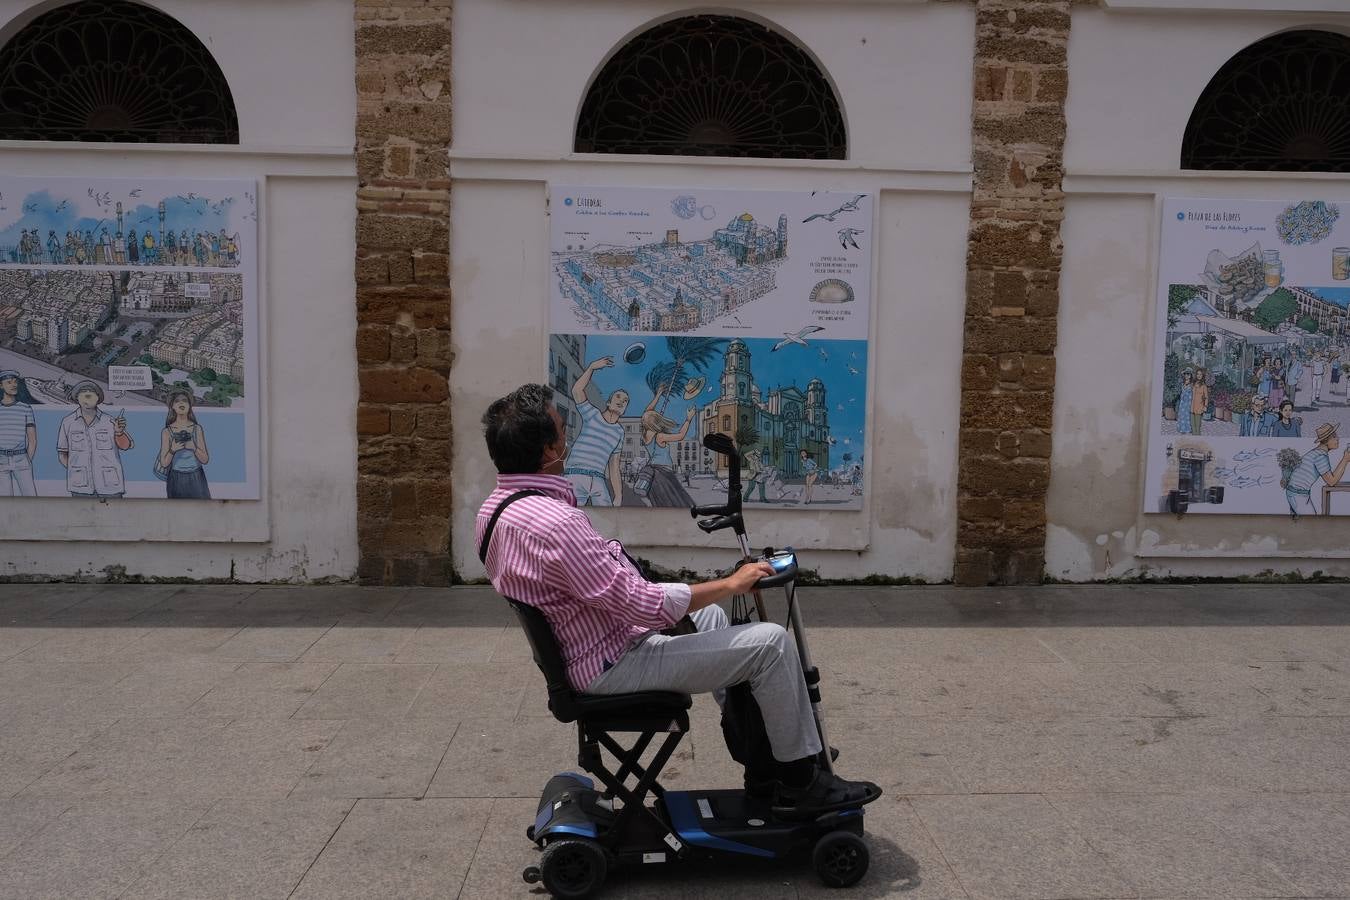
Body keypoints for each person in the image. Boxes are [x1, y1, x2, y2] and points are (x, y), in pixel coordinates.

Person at [477, 383, 878, 813]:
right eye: (561, 430)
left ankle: (764, 758)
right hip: (610, 662)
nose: (569, 437)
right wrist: (730, 582)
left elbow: (603, 590)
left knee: (714, 621)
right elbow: (641, 604)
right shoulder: (555, 524)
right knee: (770, 644)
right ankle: (801, 782)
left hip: (587, 646)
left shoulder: (496, 510)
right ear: (547, 451)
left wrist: (701, 596)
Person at [564, 356, 628, 506]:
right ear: (608, 402)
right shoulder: (593, 414)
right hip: (575, 475)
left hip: (598, 479)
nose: (621, 401)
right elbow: (576, 390)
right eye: (618, 397)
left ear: (624, 410)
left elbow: (614, 465)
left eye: (625, 401)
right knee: (568, 518)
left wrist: (618, 496)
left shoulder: (619, 432)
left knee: (608, 522)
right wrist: (591, 367)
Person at [56, 381, 132, 498]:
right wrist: (75, 470)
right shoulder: (68, 422)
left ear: (98, 398)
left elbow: (126, 446)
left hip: (110, 486)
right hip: (80, 486)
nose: (87, 396)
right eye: (83, 393)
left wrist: (119, 432)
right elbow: (62, 454)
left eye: (91, 393)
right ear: (77, 398)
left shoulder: (109, 421)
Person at [635, 384, 695, 507]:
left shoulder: (645, 435)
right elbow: (680, 436)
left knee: (659, 502)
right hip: (663, 473)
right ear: (657, 421)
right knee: (677, 501)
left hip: (652, 473)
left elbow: (647, 411)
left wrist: (657, 395)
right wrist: (688, 419)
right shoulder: (660, 436)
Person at [1285, 422, 1350, 517]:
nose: (1338, 439)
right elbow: (1331, 481)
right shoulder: (1320, 456)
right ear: (1326, 440)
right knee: (1311, 524)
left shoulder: (1316, 452)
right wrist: (1345, 460)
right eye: (1334, 437)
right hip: (1299, 495)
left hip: (1294, 492)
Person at [157, 390, 210, 499]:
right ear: (172, 406)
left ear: (190, 405)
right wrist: (173, 449)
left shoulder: (197, 428)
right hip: (176, 477)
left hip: (196, 476)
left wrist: (193, 447)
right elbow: (164, 463)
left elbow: (205, 459)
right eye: (177, 401)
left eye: (185, 401)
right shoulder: (167, 431)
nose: (181, 403)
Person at [0, 369, 38, 496]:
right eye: (9, 382)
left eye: (15, 382)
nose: (14, 385)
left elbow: (32, 439)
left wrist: (27, 459)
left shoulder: (26, 408)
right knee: (5, 500)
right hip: (1, 460)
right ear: (1, 385)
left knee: (30, 497)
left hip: (21, 459)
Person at [1189, 367, 1209, 436]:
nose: (1199, 375)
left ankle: (1197, 439)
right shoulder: (1193, 384)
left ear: (1202, 375)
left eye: (1200, 374)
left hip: (1199, 408)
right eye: (1197, 374)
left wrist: (1205, 406)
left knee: (1197, 427)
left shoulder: (1204, 386)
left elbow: (1206, 397)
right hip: (1192, 407)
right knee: (1192, 426)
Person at [1176, 369, 1194, 434]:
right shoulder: (1183, 383)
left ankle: (1187, 429)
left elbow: (1193, 394)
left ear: (1191, 375)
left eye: (1188, 374)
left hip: (1188, 402)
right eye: (1185, 374)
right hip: (1182, 402)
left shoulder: (1192, 384)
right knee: (1182, 415)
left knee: (1187, 416)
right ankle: (1181, 428)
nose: (1186, 375)